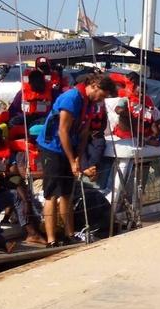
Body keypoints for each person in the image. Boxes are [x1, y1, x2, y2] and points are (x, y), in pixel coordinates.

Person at [37, 73, 116, 247]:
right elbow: (63, 131)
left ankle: (69, 234)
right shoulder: (71, 98)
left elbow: (84, 131)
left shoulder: (89, 102)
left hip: (70, 147)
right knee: (51, 194)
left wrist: (79, 156)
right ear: (94, 85)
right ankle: (51, 239)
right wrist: (72, 160)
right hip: (53, 148)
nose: (101, 100)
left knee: (67, 193)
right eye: (102, 95)